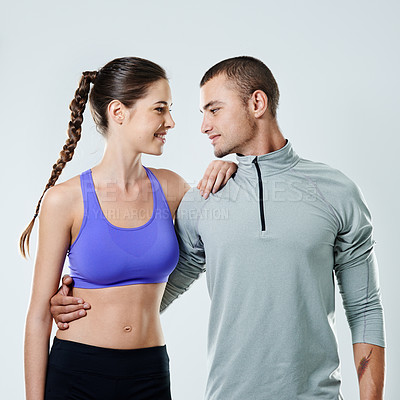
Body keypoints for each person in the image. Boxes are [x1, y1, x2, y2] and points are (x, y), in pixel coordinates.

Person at [50, 56, 386, 400]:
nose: (203, 126)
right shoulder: (203, 199)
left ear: (257, 103)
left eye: (214, 110)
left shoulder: (336, 192)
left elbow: (365, 308)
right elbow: (150, 291)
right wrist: (81, 305)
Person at [19, 56, 237, 400]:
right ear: (119, 112)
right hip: (78, 371)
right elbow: (37, 317)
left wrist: (229, 169)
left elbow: (228, 236)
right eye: (160, 109)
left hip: (149, 373)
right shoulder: (64, 200)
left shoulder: (173, 189)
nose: (171, 122)